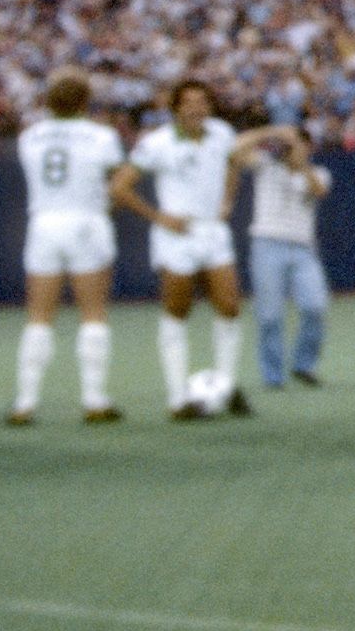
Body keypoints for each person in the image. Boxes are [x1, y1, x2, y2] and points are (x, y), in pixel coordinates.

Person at [113, 78, 269, 420]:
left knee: (229, 306)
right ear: (176, 108)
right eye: (189, 102)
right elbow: (120, 187)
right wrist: (159, 217)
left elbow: (234, 165)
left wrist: (228, 199)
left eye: (203, 101)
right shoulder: (156, 143)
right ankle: (177, 398)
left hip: (212, 231)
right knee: (177, 309)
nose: (197, 107)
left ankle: (226, 387)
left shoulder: (221, 133)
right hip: (176, 235)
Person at [11, 70, 124, 425]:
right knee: (92, 313)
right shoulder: (102, 136)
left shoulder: (29, 137)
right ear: (85, 102)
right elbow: (119, 179)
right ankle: (94, 399)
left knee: (39, 317)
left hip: (44, 223)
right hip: (86, 220)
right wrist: (105, 206)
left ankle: (25, 402)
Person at [242, 124, 330, 389]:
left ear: (309, 148)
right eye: (291, 145)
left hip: (303, 248)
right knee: (269, 314)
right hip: (267, 243)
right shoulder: (265, 166)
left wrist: (301, 164)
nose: (293, 150)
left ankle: (304, 364)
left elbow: (319, 191)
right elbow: (233, 150)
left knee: (315, 306)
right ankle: (273, 376)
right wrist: (271, 133)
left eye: (300, 145)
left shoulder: (318, 173)